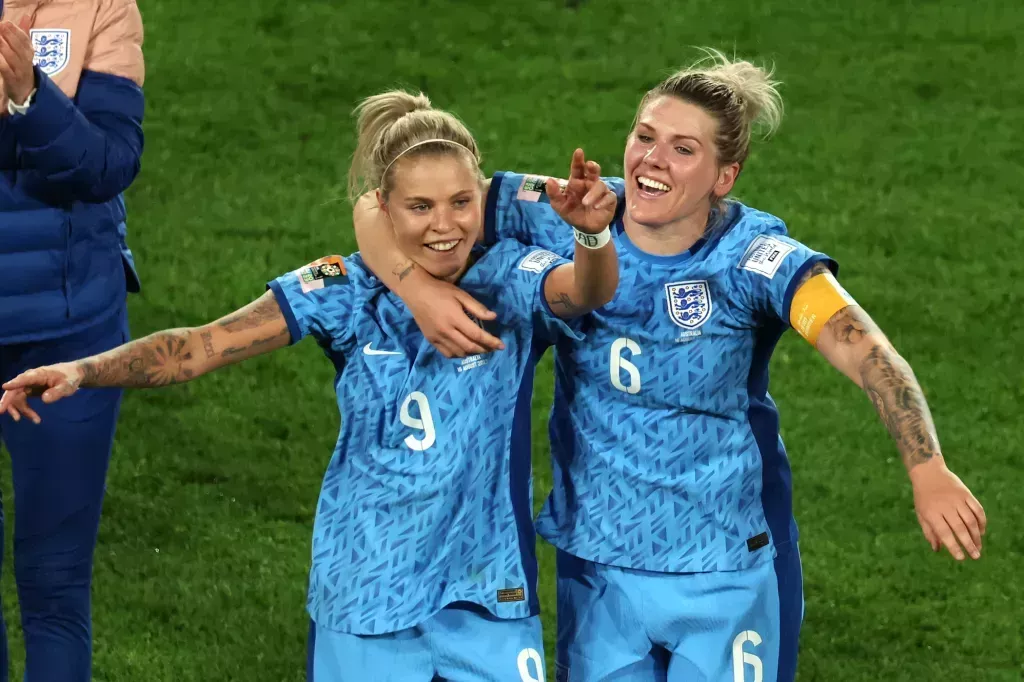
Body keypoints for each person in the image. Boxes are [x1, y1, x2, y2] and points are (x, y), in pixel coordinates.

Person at [350, 51, 986, 682]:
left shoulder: (757, 259)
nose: (652, 160)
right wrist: (416, 288)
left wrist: (926, 467)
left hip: (725, 566)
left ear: (724, 176)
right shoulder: (569, 208)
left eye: (683, 149)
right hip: (597, 565)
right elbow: (380, 206)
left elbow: (867, 349)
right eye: (645, 136)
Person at [1, 89, 619, 682]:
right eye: (420, 207)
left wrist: (592, 237)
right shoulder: (340, 289)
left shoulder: (509, 276)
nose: (445, 226)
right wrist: (83, 370)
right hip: (364, 589)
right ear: (382, 208)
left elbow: (584, 291)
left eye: (461, 202)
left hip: (486, 589)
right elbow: (198, 347)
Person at [0, 2, 144, 680]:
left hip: (67, 330)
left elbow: (108, 163)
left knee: (55, 581)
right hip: (70, 311)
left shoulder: (101, 6)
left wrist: (31, 98)